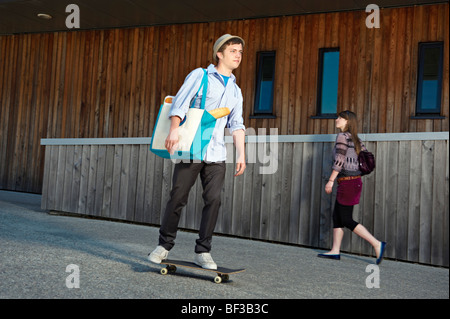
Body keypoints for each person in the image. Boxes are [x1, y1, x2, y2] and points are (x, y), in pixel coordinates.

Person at [148, 34, 246, 270]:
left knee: (214, 200)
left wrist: (242, 154)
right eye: (233, 51)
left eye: (240, 52)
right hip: (191, 148)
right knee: (178, 196)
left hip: (216, 153)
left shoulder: (236, 90)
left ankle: (203, 251)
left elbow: (237, 124)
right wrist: (173, 130)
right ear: (219, 54)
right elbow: (179, 102)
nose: (238, 55)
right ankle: (163, 245)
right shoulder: (200, 75)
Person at [319, 110, 386, 264]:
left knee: (346, 219)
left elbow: (339, 160)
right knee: (337, 217)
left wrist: (330, 181)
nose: (336, 119)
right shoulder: (355, 138)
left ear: (347, 121)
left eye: (340, 118)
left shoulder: (342, 136)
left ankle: (377, 244)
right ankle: (335, 251)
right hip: (353, 182)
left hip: (348, 182)